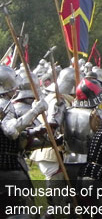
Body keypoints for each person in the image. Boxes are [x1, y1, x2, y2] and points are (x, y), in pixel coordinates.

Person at [0, 65, 47, 215]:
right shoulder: (3, 105)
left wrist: (33, 132)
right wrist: (35, 111)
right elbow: (11, 131)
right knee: (21, 212)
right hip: (8, 169)